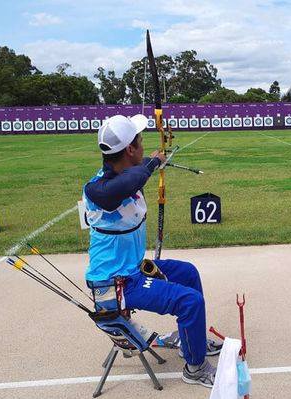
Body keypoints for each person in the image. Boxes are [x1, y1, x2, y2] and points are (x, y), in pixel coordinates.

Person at [82, 114, 221, 388]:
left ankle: (191, 343)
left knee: (188, 273)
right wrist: (153, 163)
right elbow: (119, 188)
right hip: (114, 285)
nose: (144, 146)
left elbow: (131, 178)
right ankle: (195, 368)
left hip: (133, 270)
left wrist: (152, 162)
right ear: (130, 150)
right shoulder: (96, 189)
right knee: (190, 302)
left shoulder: (128, 173)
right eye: (141, 141)